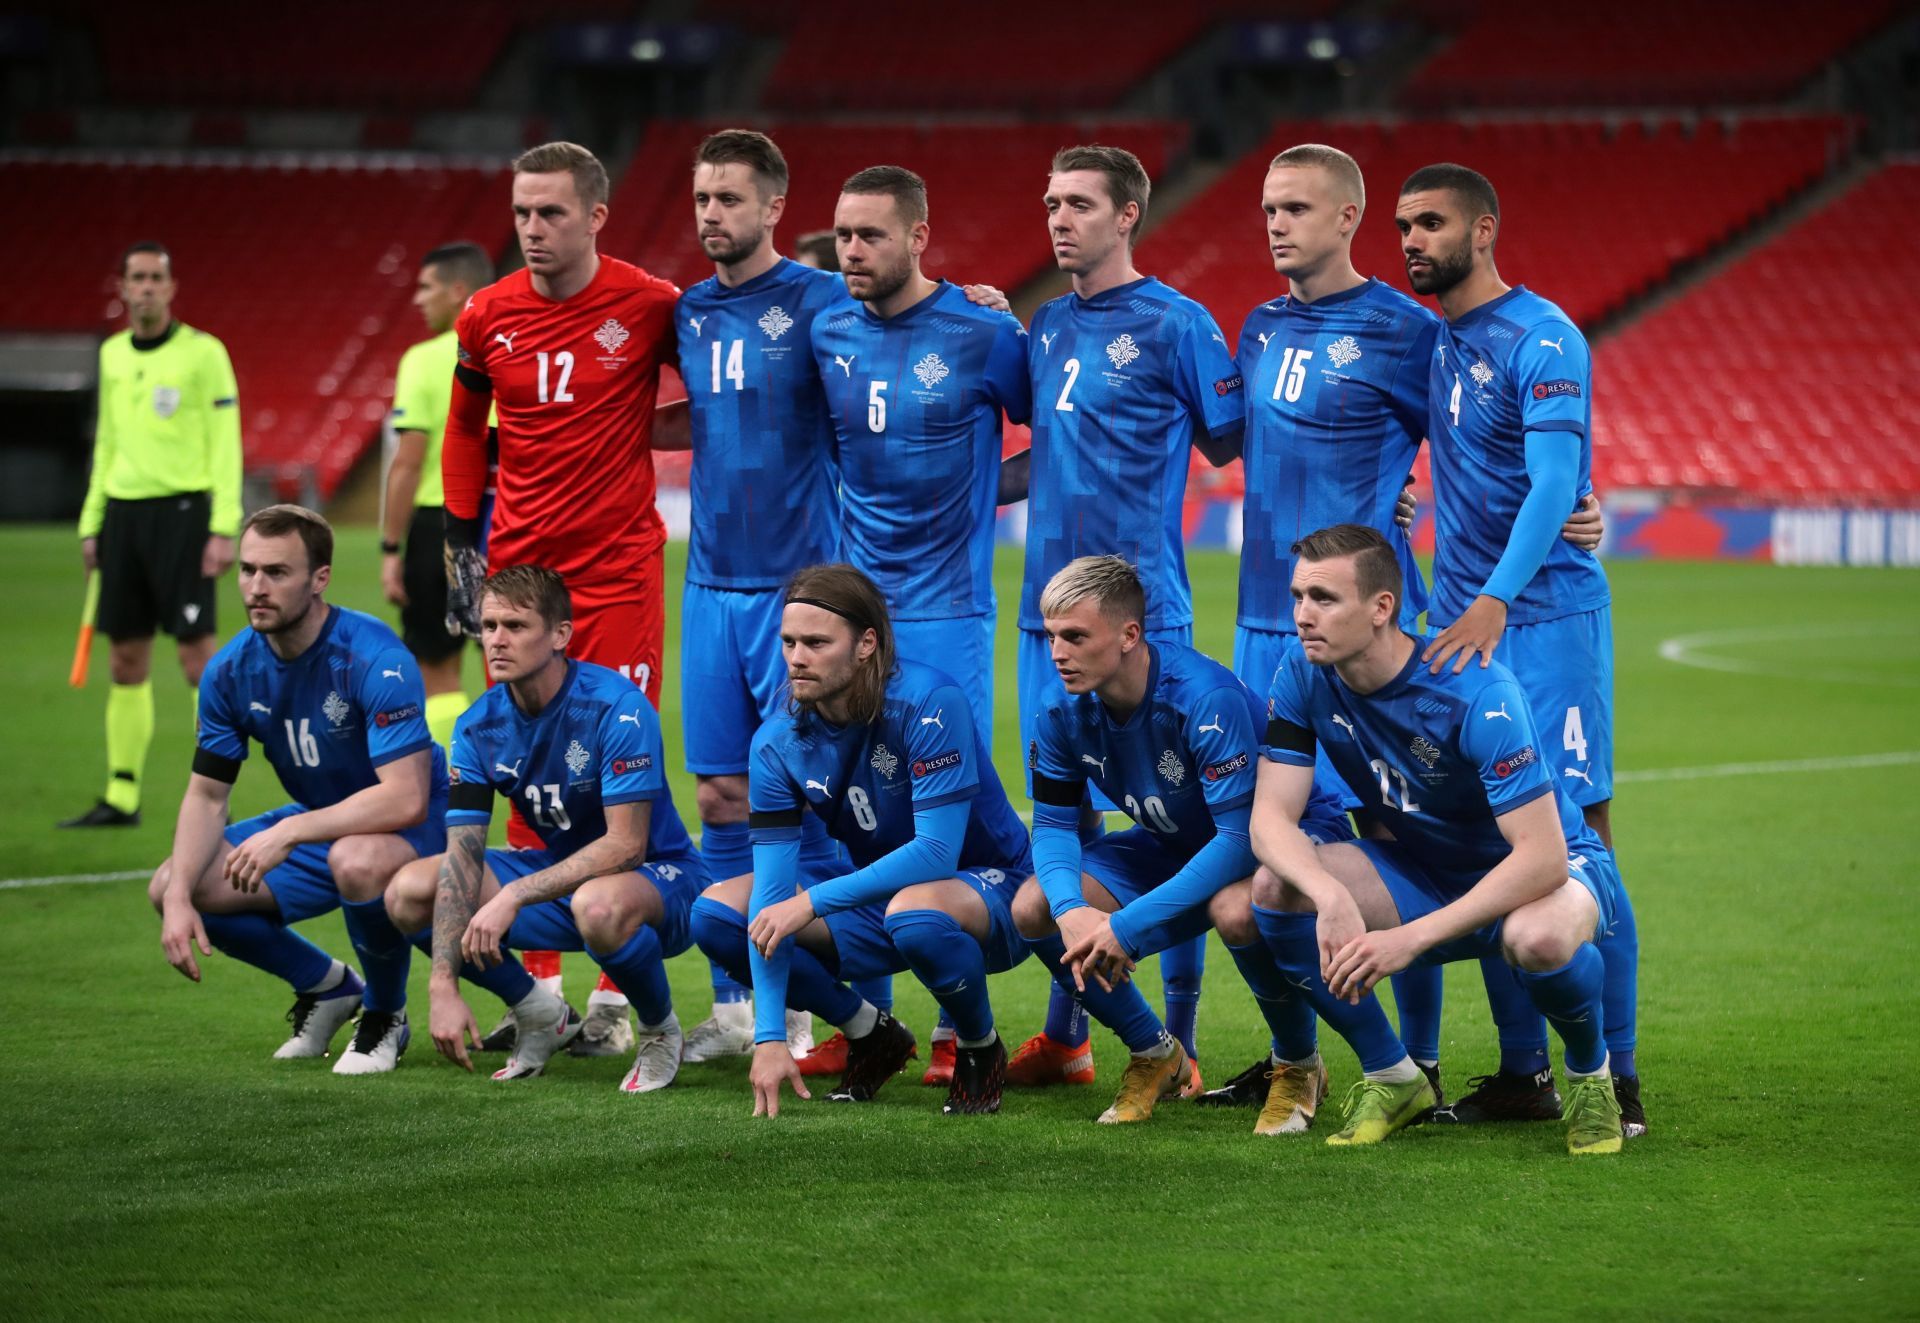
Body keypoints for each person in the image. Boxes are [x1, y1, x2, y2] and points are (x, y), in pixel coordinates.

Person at [1204, 144, 1605, 1111]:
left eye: (1295, 206)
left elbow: (1490, 438)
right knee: (1274, 860)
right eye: (1266, 208)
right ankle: (1300, 1059)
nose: (1275, 224)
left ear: (1346, 218)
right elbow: (1216, 433)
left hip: (1374, 624)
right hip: (1270, 624)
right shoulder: (1255, 329)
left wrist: (1579, 501)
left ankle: (1433, 1059)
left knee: (1402, 830)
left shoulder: (1411, 331)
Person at [1396, 163, 1642, 1136]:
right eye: (1405, 225)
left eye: (1433, 224)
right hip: (1461, 634)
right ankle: (1522, 1074)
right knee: (1495, 843)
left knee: (1585, 846)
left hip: (1545, 627)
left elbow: (1554, 486)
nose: (1414, 239)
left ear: (1485, 229)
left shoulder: (1544, 337)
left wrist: (1497, 597)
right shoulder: (1435, 340)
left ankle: (1618, 1079)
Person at [1250, 523, 1625, 1154]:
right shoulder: (1302, 673)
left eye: (1323, 598)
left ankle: (1591, 1077)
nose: (1302, 616)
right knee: (1276, 889)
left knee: (1536, 939)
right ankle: (1394, 1075)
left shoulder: (1478, 693)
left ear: (1381, 609)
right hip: (1428, 868)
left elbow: (1543, 859)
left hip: (1549, 872)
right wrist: (1329, 893)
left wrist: (1409, 939)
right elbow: (1269, 820)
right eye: (1298, 596)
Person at [1010, 144, 1244, 1091]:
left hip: (1146, 619)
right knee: (1060, 815)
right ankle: (1069, 1038)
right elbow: (1045, 456)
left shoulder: (1179, 324)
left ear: (1128, 215)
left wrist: (1387, 494)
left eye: (1078, 203)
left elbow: (1239, 444)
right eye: (1050, 201)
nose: (1058, 218)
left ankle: (1178, 1040)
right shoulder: (1044, 324)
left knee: (1178, 826)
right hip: (1045, 620)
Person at [442, 140, 681, 1055]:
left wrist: (633, 423)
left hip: (617, 572)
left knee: (622, 774)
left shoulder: (651, 304)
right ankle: (537, 989)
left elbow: (729, 392)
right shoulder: (484, 314)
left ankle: (622, 994)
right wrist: (461, 540)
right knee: (520, 771)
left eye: (550, 213)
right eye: (521, 214)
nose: (533, 231)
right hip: (520, 572)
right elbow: (467, 428)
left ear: (596, 216)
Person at [810, 164, 1034, 1082]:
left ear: (918, 237)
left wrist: (984, 501)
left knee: (944, 815)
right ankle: (872, 1022)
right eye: (842, 237)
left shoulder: (984, 333)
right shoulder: (827, 328)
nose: (852, 252)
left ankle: (957, 1027)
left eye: (870, 235)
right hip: (856, 609)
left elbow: (1054, 434)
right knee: (852, 813)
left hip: (946, 611)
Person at [688, 564, 1034, 1117]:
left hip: (994, 892)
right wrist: (771, 1035)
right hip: (886, 899)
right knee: (719, 916)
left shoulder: (929, 701)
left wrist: (811, 902)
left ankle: (979, 1045)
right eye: (789, 642)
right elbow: (773, 890)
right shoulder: (777, 741)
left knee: (914, 914)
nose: (797, 657)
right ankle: (870, 1031)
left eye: (816, 643)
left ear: (866, 644)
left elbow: (937, 854)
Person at [1013, 555, 1340, 1126]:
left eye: (1075, 636)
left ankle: (1298, 1064)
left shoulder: (1201, 699)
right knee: (1034, 907)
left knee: (1238, 909)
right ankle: (1155, 1052)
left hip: (1279, 837)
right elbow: (1055, 825)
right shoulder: (1059, 707)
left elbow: (1241, 840)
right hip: (1176, 841)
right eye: (1051, 636)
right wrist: (1071, 911)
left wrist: (1123, 926)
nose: (1058, 652)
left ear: (1128, 635)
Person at [146, 505, 445, 1077]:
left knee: (356, 859)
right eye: (248, 570)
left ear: (319, 579)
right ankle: (327, 987)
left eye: (277, 573)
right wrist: (181, 896)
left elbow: (405, 797)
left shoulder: (374, 657)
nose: (256, 588)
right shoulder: (229, 671)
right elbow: (207, 795)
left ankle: (385, 1013)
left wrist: (290, 830)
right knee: (172, 883)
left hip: (417, 821)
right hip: (321, 823)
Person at [383, 566, 707, 1089]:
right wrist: (442, 983)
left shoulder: (616, 708)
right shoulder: (477, 727)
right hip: (564, 879)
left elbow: (626, 846)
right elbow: (462, 857)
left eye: (514, 626)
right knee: (410, 892)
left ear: (560, 634)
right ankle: (537, 1010)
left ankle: (659, 1030)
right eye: (488, 626)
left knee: (597, 904)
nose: (496, 640)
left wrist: (514, 894)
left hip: (661, 879)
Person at [672, 128, 844, 1064]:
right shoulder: (687, 309)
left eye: (730, 199)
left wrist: (976, 299)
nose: (712, 215)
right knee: (721, 790)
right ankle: (736, 1005)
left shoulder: (822, 302)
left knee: (807, 795)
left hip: (797, 596)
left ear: (776, 206)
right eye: (702, 199)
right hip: (707, 587)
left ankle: (814, 995)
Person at [64, 241, 241, 829]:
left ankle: (215, 788)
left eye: (154, 278)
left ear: (170, 288)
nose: (144, 287)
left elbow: (226, 442)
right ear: (121, 287)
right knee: (125, 657)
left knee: (198, 658)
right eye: (134, 277)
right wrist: (94, 522)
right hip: (122, 515)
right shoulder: (112, 354)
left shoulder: (203, 353)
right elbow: (107, 441)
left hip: (185, 515)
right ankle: (121, 795)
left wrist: (223, 524)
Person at [381, 242, 493, 750]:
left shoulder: (425, 360)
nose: (417, 300)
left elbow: (407, 461)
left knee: (437, 672)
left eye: (426, 288)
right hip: (507, 516)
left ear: (457, 291)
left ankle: (453, 791)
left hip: (440, 521)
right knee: (514, 663)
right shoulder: (512, 346)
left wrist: (388, 548)